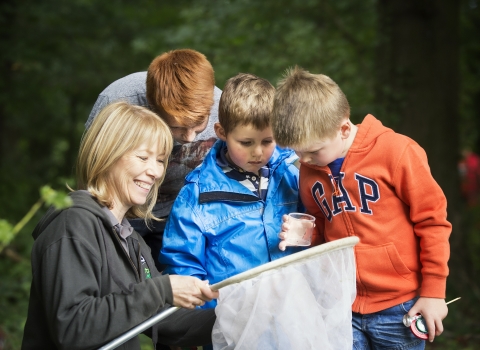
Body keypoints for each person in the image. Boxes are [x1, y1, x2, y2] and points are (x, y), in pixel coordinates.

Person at [272, 67, 452, 349]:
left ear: (343, 129)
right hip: (343, 304)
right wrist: (306, 234)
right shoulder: (310, 169)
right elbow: (322, 226)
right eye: (297, 152)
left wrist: (433, 292)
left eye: (312, 151)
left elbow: (433, 223)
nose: (304, 160)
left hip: (400, 306)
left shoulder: (397, 152)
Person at [22, 102, 219, 350]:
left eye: (160, 160)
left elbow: (165, 321)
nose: (156, 172)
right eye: (143, 157)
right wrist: (161, 290)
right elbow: (72, 327)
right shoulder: (73, 225)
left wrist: (235, 317)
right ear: (108, 154)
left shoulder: (129, 238)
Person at [159, 73, 303, 309]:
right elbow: (184, 269)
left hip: (293, 312)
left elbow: (320, 227)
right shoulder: (196, 196)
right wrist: (218, 317)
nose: (258, 152)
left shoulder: (293, 174)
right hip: (232, 326)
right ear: (222, 132)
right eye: (246, 143)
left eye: (268, 141)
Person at [85, 49, 222, 270]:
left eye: (198, 127)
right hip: (120, 213)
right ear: (151, 104)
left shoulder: (223, 108)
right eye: (176, 127)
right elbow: (91, 169)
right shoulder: (117, 100)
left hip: (178, 217)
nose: (188, 138)